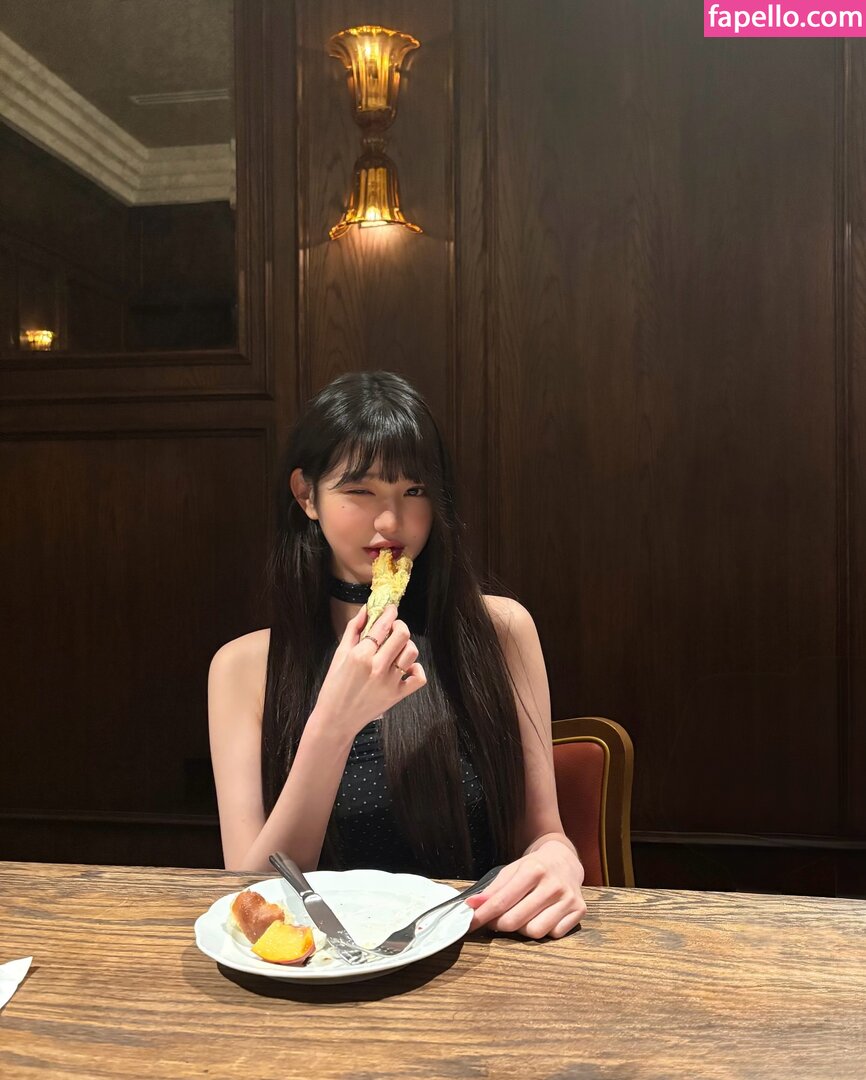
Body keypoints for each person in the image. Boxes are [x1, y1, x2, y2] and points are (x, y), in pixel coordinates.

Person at [208, 370, 586, 940]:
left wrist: (559, 857)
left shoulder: (501, 631)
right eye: (360, 492)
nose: (390, 522)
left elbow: (542, 833)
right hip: (322, 965)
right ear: (306, 495)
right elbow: (252, 896)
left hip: (479, 949)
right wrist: (333, 723)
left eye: (414, 492)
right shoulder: (242, 668)